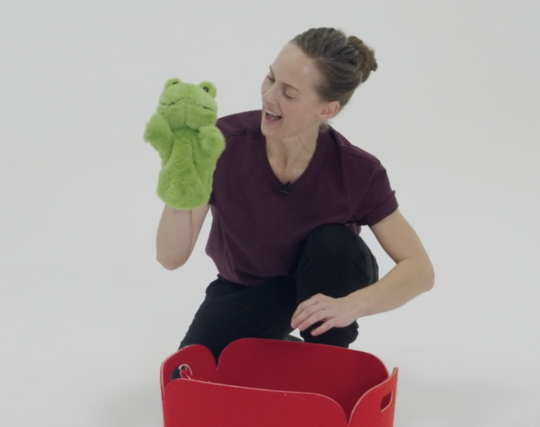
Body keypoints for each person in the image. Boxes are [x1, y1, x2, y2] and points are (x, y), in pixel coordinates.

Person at [156, 27, 435, 364]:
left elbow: (420, 270)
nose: (269, 97)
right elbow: (171, 257)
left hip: (325, 292)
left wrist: (350, 305)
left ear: (326, 110)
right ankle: (279, 344)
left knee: (334, 244)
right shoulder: (219, 144)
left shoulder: (358, 171)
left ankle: (326, 360)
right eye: (270, 79)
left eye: (288, 93)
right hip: (247, 289)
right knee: (187, 379)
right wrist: (180, 175)